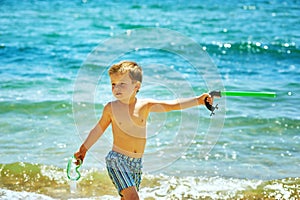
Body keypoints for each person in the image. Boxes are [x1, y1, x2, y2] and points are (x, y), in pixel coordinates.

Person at [74, 60, 213, 200]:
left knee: (127, 198)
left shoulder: (145, 106)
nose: (117, 88)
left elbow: (172, 105)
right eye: (113, 84)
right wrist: (83, 149)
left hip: (136, 163)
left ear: (136, 86)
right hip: (117, 160)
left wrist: (199, 100)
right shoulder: (111, 108)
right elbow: (98, 129)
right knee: (133, 198)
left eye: (122, 84)